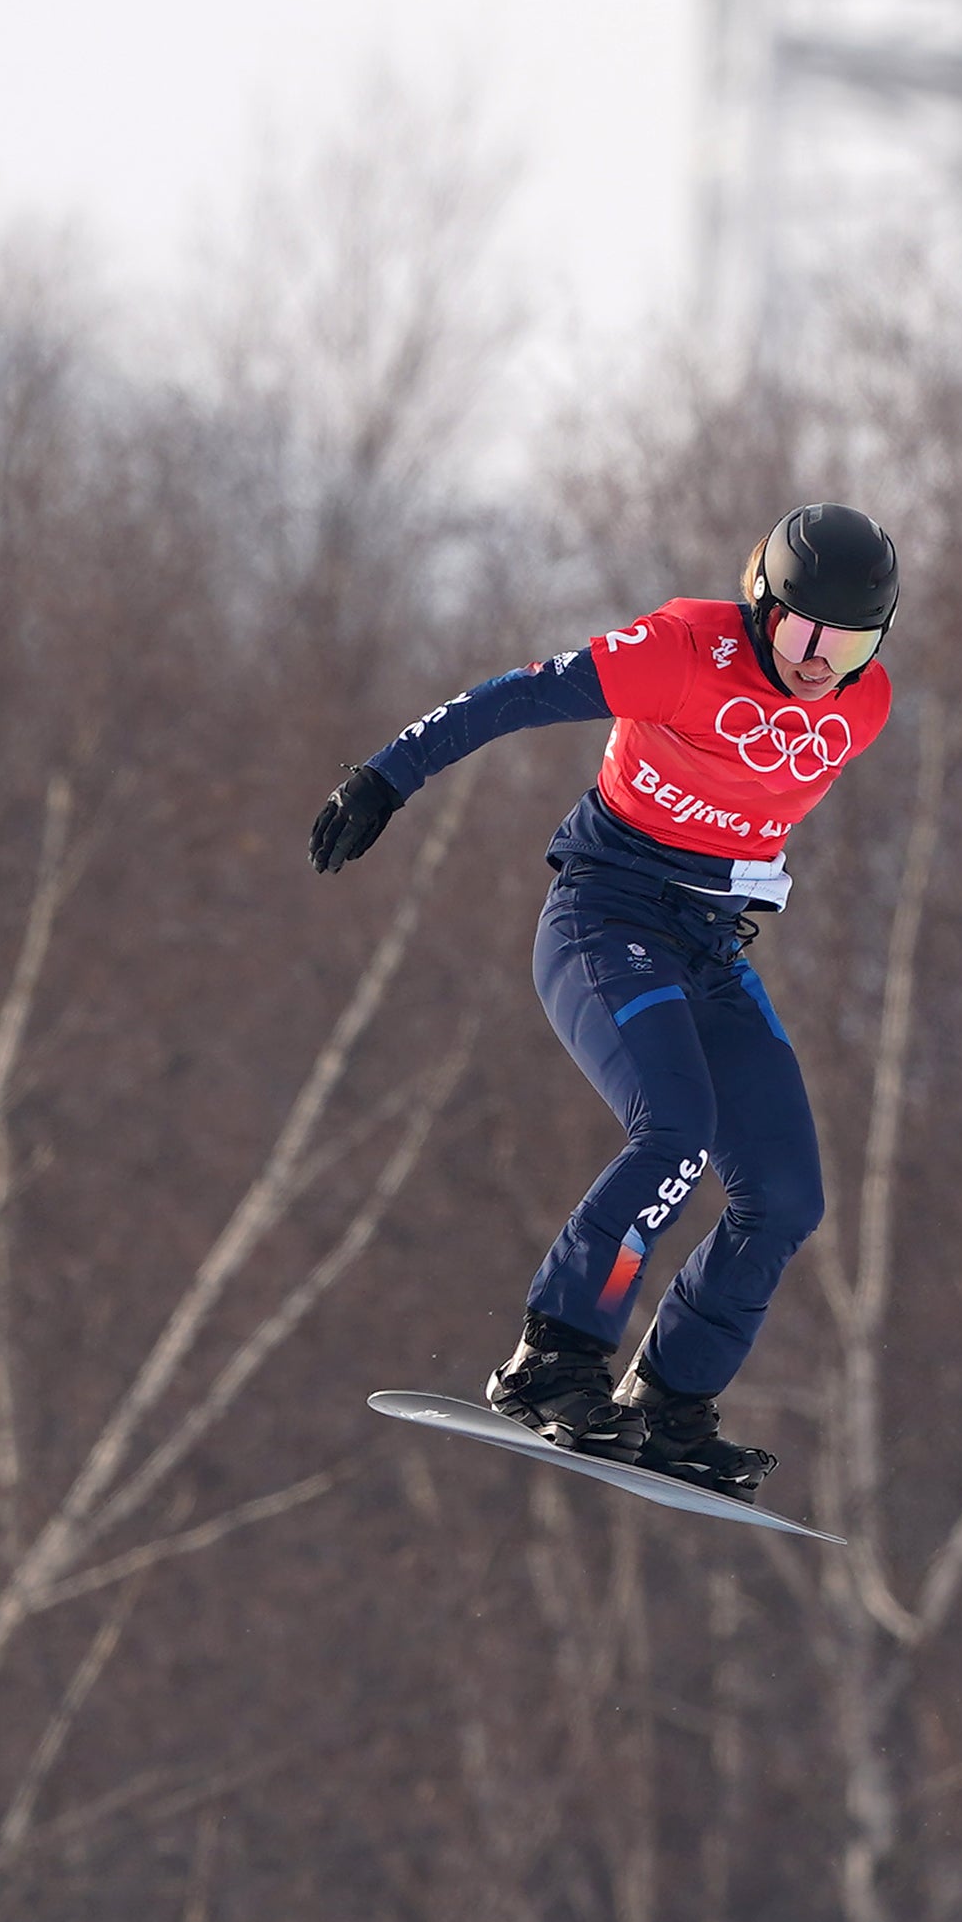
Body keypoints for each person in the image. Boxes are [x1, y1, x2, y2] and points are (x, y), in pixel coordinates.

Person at [308, 504, 902, 1500]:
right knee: (674, 1132)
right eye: (803, 631)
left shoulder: (866, 702)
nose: (819, 661)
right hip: (604, 916)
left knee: (787, 1197)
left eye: (850, 642)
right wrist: (385, 777)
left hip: (707, 946)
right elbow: (518, 697)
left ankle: (669, 1401)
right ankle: (555, 1353)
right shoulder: (682, 650)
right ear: (762, 607)